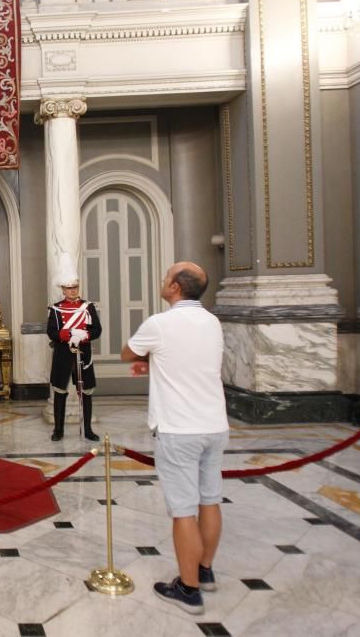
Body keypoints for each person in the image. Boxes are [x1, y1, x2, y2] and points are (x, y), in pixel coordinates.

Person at [121, 261, 229, 616]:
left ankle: (188, 588)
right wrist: (156, 365)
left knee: (183, 510)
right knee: (210, 500)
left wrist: (146, 359)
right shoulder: (212, 322)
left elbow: (127, 353)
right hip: (214, 424)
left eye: (166, 277)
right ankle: (205, 570)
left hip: (179, 428)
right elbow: (192, 362)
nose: (163, 280)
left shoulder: (161, 323)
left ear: (175, 288)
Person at [46, 253, 101, 442]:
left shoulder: (88, 307)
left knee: (86, 392)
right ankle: (58, 430)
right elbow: (51, 331)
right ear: (63, 289)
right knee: (60, 391)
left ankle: (87, 429)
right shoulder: (55, 309)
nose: (72, 291)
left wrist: (84, 335)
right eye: (69, 288)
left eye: (75, 287)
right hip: (63, 354)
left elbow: (97, 329)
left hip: (83, 354)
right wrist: (68, 335)